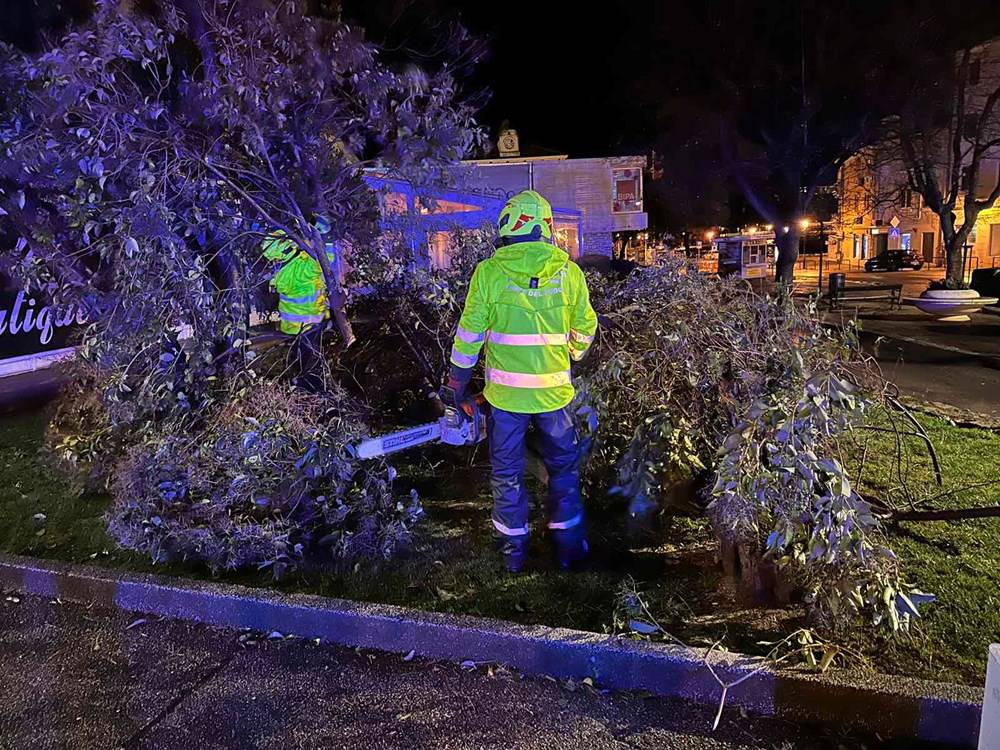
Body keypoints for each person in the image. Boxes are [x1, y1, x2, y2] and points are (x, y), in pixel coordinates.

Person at [444, 190, 598, 572]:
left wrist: (455, 385)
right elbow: (585, 328)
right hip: (554, 398)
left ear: (508, 227)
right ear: (544, 226)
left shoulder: (489, 273)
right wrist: (571, 355)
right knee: (563, 470)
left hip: (506, 401)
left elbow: (469, 334)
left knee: (508, 473)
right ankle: (567, 549)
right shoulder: (569, 272)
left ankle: (513, 554)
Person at [261, 222, 338, 392]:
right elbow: (325, 261)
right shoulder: (298, 269)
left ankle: (303, 384)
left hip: (295, 325)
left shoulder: (282, 270)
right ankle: (312, 389)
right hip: (308, 324)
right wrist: (326, 237)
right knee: (311, 359)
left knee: (303, 356)